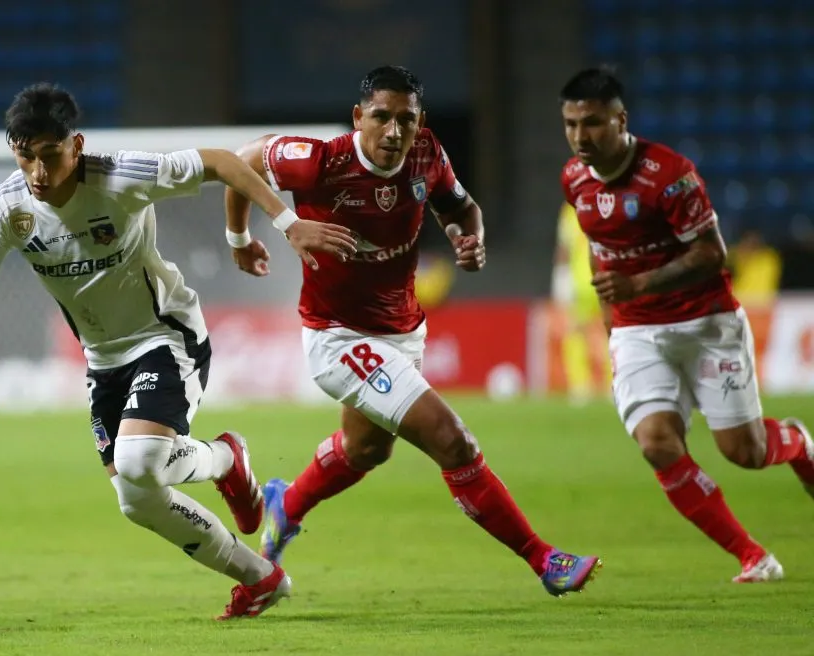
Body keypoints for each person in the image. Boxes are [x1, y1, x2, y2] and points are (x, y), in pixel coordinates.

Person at [0, 83, 357, 619]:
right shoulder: (3, 209)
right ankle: (260, 577)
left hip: (166, 336)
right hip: (102, 360)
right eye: (25, 156)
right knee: (136, 500)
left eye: (49, 155)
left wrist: (284, 224)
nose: (38, 172)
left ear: (76, 146)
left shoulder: (121, 176)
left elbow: (223, 162)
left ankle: (225, 459)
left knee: (138, 460)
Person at [224, 65, 601, 597]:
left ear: (420, 122)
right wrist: (242, 237)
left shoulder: (426, 153)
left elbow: (461, 208)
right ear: (359, 117)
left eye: (406, 119)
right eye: (381, 117)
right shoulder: (319, 162)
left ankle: (286, 504)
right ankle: (545, 560)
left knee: (366, 450)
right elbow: (239, 163)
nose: (394, 131)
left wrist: (468, 237)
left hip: (402, 332)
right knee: (452, 440)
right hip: (338, 337)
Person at [559, 67, 814, 583]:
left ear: (621, 120)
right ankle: (752, 555)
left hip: (705, 324)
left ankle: (797, 442)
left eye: (593, 123)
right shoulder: (574, 179)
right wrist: (612, 319)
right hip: (637, 331)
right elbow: (599, 244)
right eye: (571, 124)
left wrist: (638, 283)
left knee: (745, 452)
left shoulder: (670, 175)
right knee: (657, 443)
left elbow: (711, 253)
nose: (581, 136)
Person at [552, 201, 611, 402]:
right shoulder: (571, 210)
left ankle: (608, 384)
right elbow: (564, 247)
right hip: (582, 282)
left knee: (606, 332)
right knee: (579, 333)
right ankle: (582, 385)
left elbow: (563, 248)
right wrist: (562, 277)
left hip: (601, 279)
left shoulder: (600, 203)